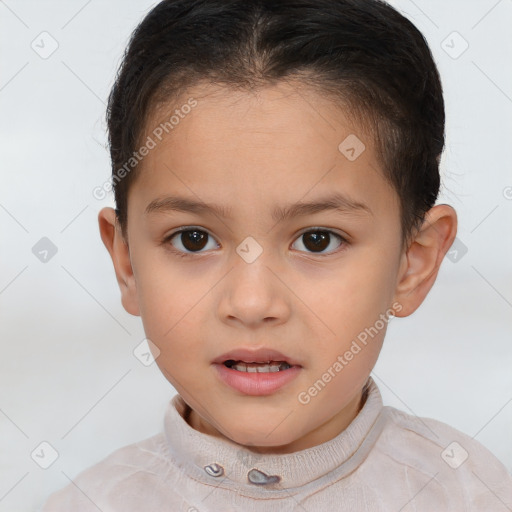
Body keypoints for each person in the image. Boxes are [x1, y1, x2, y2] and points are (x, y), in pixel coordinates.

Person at [41, 0, 512, 510]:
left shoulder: (471, 492)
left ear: (413, 263)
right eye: (193, 239)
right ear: (128, 263)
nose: (251, 302)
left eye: (317, 240)